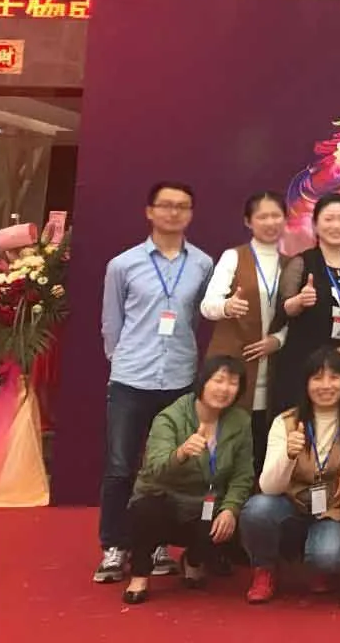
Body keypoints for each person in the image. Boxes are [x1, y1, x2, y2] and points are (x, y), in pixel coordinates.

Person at [96, 181, 216, 584]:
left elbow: (197, 318)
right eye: (165, 205)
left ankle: (157, 542)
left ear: (191, 214)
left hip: (179, 378)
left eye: (182, 206)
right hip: (131, 378)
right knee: (120, 466)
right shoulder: (123, 264)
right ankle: (114, 546)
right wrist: (122, 360)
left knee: (169, 466)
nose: (173, 212)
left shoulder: (202, 264)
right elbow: (112, 322)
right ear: (149, 211)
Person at [119, 355, 254, 604]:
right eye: (218, 380)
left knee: (232, 519)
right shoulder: (170, 417)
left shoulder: (240, 421)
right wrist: (180, 454)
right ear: (202, 381)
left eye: (233, 383)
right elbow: (155, 469)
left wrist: (231, 509)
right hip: (164, 497)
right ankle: (139, 574)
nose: (224, 389)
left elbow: (242, 475)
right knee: (145, 509)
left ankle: (193, 560)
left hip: (206, 501)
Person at [241, 347, 340, 602]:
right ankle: (264, 568)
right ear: (306, 383)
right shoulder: (285, 421)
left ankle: (319, 565)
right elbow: (269, 487)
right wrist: (288, 455)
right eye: (317, 378)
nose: (326, 385)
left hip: (334, 508)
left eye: (334, 377)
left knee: (328, 557)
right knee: (257, 509)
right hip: (292, 503)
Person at [200, 191, 294, 468]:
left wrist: (278, 340)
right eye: (262, 216)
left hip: (274, 369)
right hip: (234, 364)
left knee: (263, 446)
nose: (270, 222)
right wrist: (227, 306)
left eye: (276, 215)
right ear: (248, 221)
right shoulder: (233, 257)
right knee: (226, 447)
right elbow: (207, 305)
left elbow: (296, 319)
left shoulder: (291, 263)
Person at [271, 194, 340, 416]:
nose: (336, 225)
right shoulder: (302, 262)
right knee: (298, 427)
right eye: (329, 219)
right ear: (315, 225)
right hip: (302, 364)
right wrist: (299, 301)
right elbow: (283, 309)